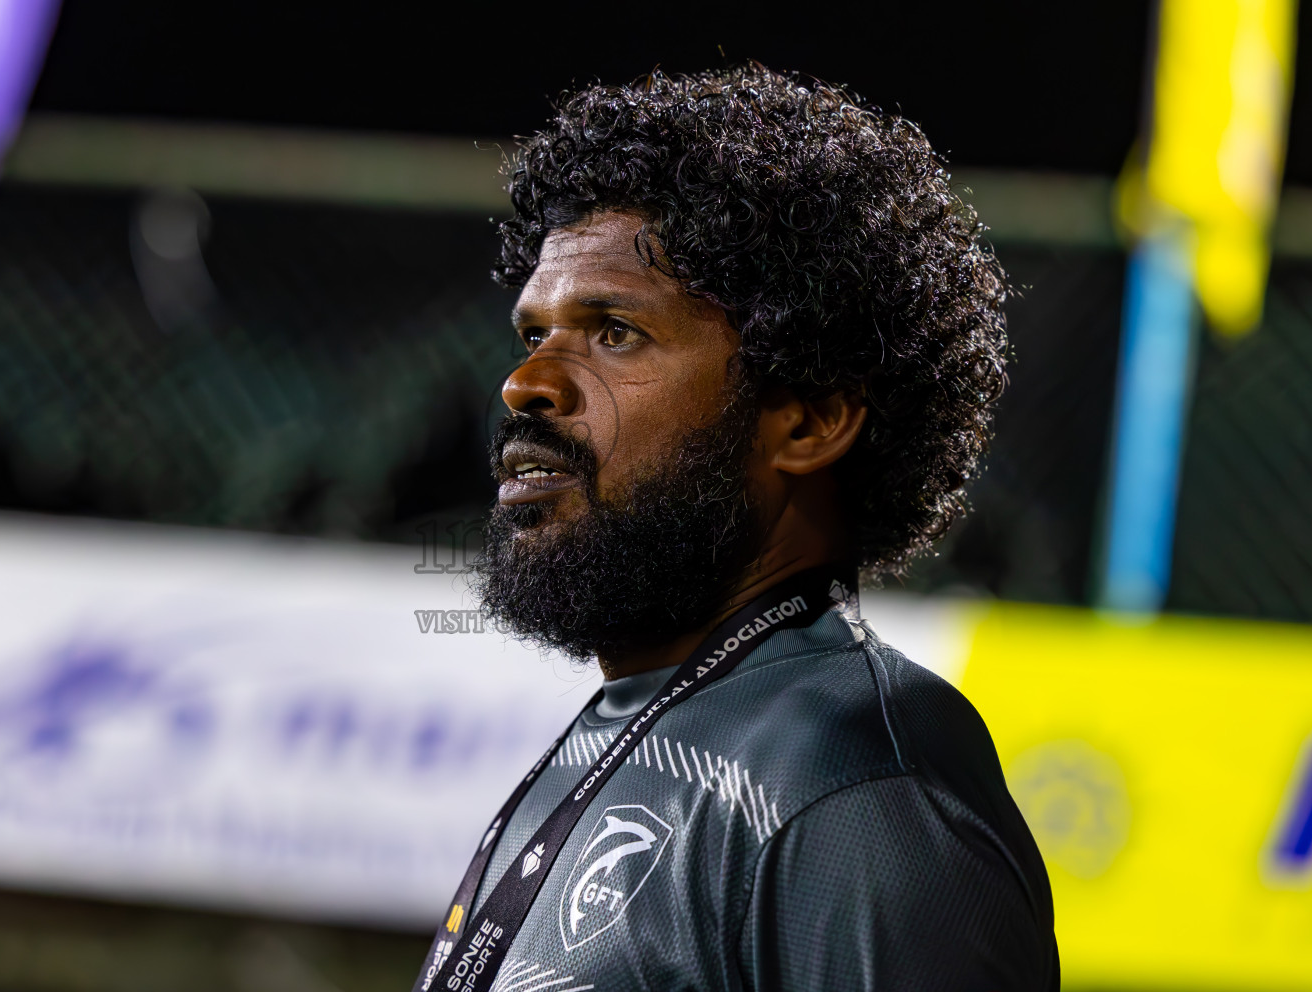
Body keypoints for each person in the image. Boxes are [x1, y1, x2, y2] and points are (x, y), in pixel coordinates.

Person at [415, 63, 1058, 992]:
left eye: (614, 333)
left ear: (807, 420)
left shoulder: (855, 792)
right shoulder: (644, 720)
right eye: (533, 335)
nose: (527, 385)